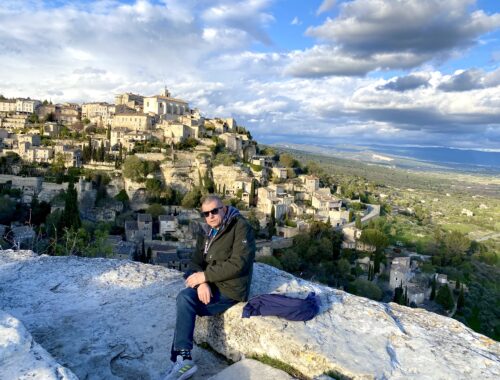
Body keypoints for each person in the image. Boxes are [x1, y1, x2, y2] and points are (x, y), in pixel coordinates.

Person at [165, 194, 255, 380]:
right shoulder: (207, 231)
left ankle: (180, 361)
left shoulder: (240, 227)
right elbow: (195, 263)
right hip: (212, 283)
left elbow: (239, 264)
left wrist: (205, 276)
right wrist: (202, 282)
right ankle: (183, 359)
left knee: (185, 303)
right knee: (185, 297)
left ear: (224, 208)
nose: (211, 216)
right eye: (206, 213)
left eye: (214, 211)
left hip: (230, 289)